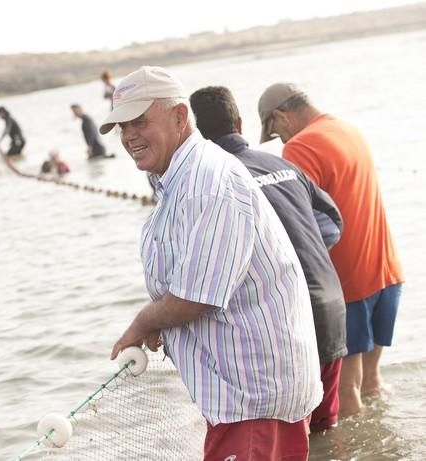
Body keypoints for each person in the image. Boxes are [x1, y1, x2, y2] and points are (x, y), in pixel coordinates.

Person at [102, 66, 322, 460]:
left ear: (180, 117)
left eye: (139, 121)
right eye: (121, 127)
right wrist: (161, 322)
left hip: (253, 398)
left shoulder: (209, 182)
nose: (129, 135)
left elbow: (195, 297)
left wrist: (145, 322)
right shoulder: (178, 177)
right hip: (244, 394)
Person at [191, 85, 347, 432]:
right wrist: (299, 249)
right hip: (331, 306)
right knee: (326, 431)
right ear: (240, 122)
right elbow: (332, 223)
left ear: (195, 135)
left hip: (289, 322)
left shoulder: (216, 181)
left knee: (293, 437)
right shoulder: (280, 163)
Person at [258, 83, 405, 418]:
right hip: (388, 273)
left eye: (276, 132)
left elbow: (298, 221)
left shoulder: (300, 146)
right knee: (371, 383)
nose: (281, 141)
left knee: (347, 394)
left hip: (350, 285)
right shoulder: (348, 128)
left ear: (281, 116)